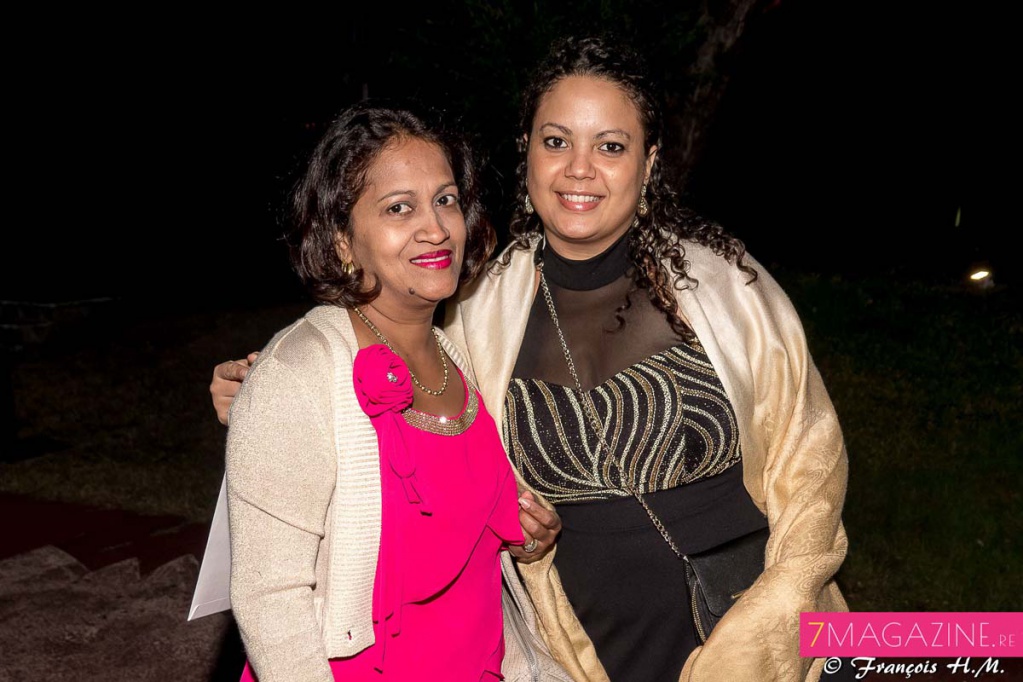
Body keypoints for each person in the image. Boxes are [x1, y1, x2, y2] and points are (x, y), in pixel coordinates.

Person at [213, 37, 848, 682]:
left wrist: (778, 616)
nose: (580, 169)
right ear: (527, 152)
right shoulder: (475, 310)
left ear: (649, 161)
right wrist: (266, 386)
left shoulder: (729, 289)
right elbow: (370, 381)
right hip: (588, 653)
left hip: (768, 629)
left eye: (610, 146)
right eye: (556, 142)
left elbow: (812, 463)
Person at [222, 102, 547, 681]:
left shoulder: (458, 358)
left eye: (445, 200)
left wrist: (525, 535)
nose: (436, 228)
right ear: (343, 241)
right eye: (400, 208)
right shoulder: (299, 374)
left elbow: (464, 533)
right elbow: (270, 598)